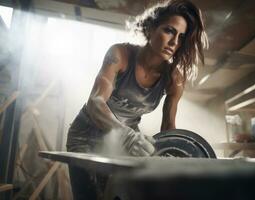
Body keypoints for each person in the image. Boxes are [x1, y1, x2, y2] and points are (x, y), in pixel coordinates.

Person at [66, 0, 208, 199]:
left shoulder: (174, 79)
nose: (175, 42)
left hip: (124, 144)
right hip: (86, 137)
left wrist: (170, 156)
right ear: (150, 28)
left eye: (181, 37)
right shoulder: (120, 55)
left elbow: (168, 126)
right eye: (169, 30)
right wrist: (126, 135)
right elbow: (95, 102)